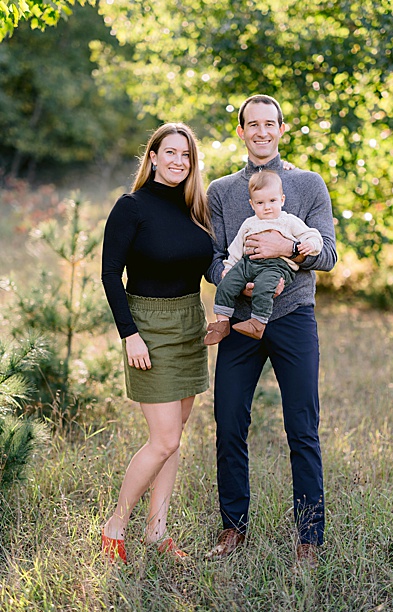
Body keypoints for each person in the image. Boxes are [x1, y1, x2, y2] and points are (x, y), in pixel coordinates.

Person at [204, 94, 337, 564]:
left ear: (282, 129)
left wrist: (290, 247)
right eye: (252, 125)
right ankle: (233, 527)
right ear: (240, 132)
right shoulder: (220, 191)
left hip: (295, 317)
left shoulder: (308, 184)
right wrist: (238, 289)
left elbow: (330, 255)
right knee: (230, 423)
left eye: (269, 124)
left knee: (302, 426)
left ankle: (309, 536)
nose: (261, 132)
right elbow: (215, 259)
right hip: (241, 323)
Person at [100, 123, 213, 562]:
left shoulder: (194, 206)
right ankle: (115, 526)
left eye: (186, 155)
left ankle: (157, 531)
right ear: (152, 157)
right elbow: (111, 274)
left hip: (189, 324)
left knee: (175, 436)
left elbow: (207, 268)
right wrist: (130, 334)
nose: (178, 162)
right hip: (148, 325)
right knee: (163, 440)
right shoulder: (131, 207)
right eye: (170, 153)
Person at [203, 170, 321, 344]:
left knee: (264, 287)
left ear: (282, 199)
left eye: (272, 201)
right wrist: (228, 268)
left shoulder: (288, 221)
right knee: (227, 283)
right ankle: (222, 323)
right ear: (252, 204)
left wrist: (310, 244)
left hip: (277, 266)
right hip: (248, 263)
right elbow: (236, 247)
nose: (267, 207)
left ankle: (257, 323)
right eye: (260, 202)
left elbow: (313, 235)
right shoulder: (249, 223)